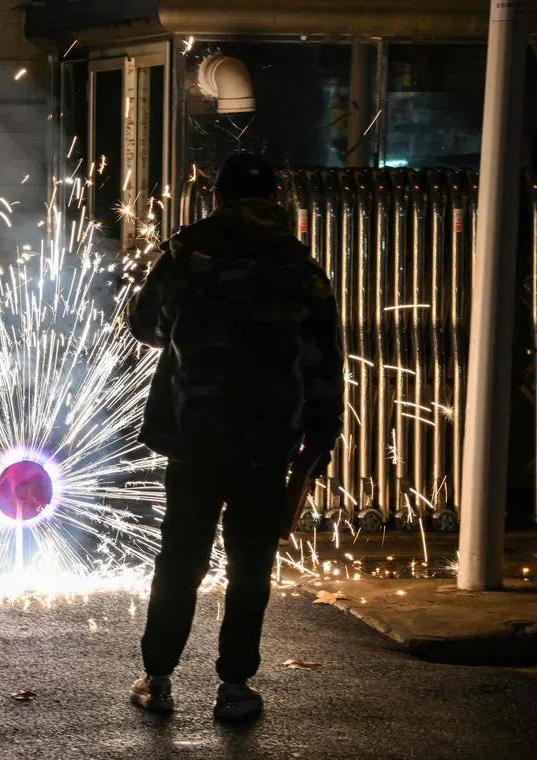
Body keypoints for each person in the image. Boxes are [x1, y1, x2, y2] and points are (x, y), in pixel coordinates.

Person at [126, 153, 344, 722]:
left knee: (181, 558)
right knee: (250, 561)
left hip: (198, 434)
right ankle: (236, 687)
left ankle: (159, 678)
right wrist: (322, 434)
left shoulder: (185, 252)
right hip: (270, 439)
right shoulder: (299, 263)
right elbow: (325, 359)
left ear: (217, 199)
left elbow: (144, 326)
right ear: (275, 198)